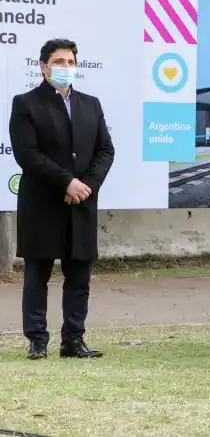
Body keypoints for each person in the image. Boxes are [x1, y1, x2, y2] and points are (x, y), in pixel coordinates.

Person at [10, 39, 115, 360]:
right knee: (37, 273)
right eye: (58, 61)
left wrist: (86, 185)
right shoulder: (26, 103)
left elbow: (105, 150)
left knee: (79, 274)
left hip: (81, 203)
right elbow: (27, 154)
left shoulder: (90, 104)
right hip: (43, 202)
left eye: (70, 61)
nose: (65, 67)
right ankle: (37, 340)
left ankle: (73, 339)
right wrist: (66, 182)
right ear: (43, 67)